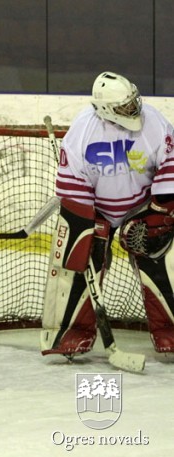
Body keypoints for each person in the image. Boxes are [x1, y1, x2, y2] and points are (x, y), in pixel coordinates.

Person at [40, 71, 174, 357]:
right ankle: (71, 332)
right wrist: (84, 226)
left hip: (143, 205)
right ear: (105, 109)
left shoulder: (155, 122)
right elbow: (73, 186)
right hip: (97, 209)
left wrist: (159, 211)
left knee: (161, 261)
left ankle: (170, 330)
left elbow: (170, 164)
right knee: (79, 265)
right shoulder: (82, 131)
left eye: (133, 101)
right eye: (124, 107)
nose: (133, 109)